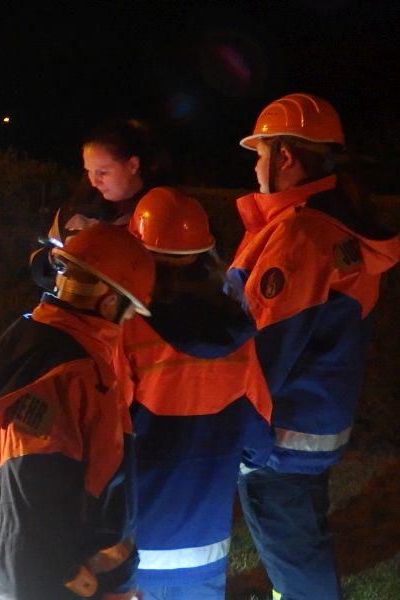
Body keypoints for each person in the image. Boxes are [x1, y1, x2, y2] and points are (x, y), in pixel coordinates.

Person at [228, 93, 399, 600]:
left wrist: (235, 439)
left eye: (260, 153)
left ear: (284, 157)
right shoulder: (336, 225)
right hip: (312, 430)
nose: (256, 166)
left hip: (276, 440)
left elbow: (263, 350)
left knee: (298, 567)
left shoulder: (300, 234)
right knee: (302, 552)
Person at [0, 223, 154, 600]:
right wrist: (115, 585)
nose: (131, 320)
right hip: (61, 583)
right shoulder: (85, 374)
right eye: (131, 309)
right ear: (110, 301)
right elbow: (102, 496)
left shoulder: (22, 343)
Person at [121, 187, 273, 599]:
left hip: (130, 544)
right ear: (207, 255)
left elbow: (102, 435)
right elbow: (259, 443)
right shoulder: (238, 333)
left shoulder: (128, 328)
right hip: (204, 547)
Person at [30, 118, 172, 290]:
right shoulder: (74, 211)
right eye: (88, 171)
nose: (94, 182)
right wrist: (51, 263)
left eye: (103, 172)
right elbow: (44, 257)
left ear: (133, 165)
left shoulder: (167, 213)